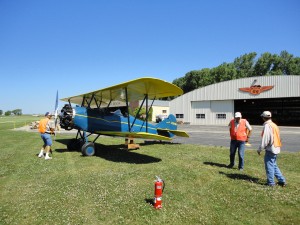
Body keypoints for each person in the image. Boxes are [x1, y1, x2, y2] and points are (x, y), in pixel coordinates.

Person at [257, 111, 286, 187]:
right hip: (276, 148)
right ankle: (282, 180)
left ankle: (271, 183)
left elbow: (265, 139)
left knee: (269, 166)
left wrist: (260, 149)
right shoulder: (274, 125)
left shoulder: (267, 126)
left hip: (271, 149)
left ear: (263, 118)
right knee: (274, 165)